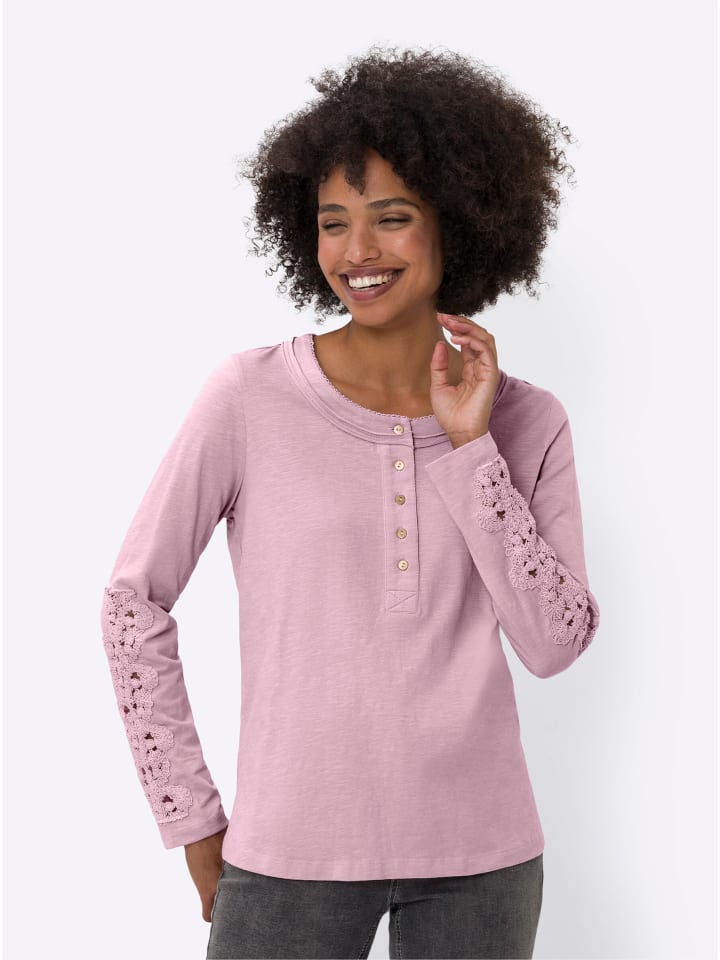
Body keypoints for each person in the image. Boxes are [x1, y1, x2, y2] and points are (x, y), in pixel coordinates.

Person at [100, 45, 600, 960]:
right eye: (334, 223)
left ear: (460, 224)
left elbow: (554, 643)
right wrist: (192, 818)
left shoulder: (530, 422)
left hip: (484, 863)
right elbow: (134, 602)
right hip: (286, 857)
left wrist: (470, 447)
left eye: (391, 218)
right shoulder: (248, 398)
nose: (357, 252)